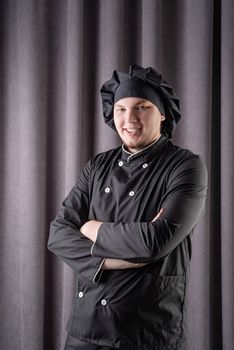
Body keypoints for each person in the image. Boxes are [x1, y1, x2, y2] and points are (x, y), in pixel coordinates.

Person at [48, 64, 208, 349]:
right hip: (86, 327)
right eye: (121, 109)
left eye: (142, 107)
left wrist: (91, 227)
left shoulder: (185, 166)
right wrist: (109, 261)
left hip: (145, 330)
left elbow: (154, 242)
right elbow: (58, 234)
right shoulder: (98, 165)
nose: (129, 118)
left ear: (163, 113)